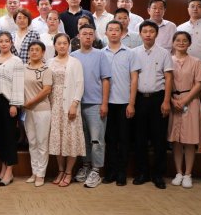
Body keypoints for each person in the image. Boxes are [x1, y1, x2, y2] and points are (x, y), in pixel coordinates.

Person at [132, 20, 173, 189]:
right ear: (140, 34)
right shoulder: (133, 53)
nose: (148, 34)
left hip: (158, 99)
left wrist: (166, 101)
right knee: (139, 138)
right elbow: (132, 78)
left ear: (156, 33)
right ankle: (142, 173)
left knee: (159, 139)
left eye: (151, 31)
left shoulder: (164, 53)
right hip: (140, 99)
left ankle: (158, 174)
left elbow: (168, 78)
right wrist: (132, 103)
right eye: (145, 31)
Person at [71, 24, 111, 188]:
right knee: (84, 140)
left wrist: (104, 103)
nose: (88, 36)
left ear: (94, 37)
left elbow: (106, 80)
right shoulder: (73, 56)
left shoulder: (101, 55)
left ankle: (96, 170)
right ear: (78, 36)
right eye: (84, 34)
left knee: (97, 140)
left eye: (90, 34)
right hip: (78, 103)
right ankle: (86, 166)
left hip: (95, 103)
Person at [102, 20, 140, 186]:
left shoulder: (130, 53)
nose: (113, 32)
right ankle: (110, 172)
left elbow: (134, 79)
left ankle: (121, 173)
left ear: (121, 32)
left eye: (116, 30)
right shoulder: (101, 53)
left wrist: (132, 103)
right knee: (109, 140)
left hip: (124, 102)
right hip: (106, 103)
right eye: (110, 30)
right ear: (106, 33)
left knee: (124, 140)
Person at [168, 31, 201, 189]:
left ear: (189, 43)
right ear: (173, 42)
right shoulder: (168, 60)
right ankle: (178, 173)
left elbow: (199, 84)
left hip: (191, 102)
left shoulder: (196, 61)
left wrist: (184, 100)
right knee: (176, 140)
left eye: (185, 40)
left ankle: (188, 174)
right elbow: (164, 82)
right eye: (178, 40)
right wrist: (171, 100)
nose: (181, 43)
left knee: (189, 141)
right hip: (172, 102)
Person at [47, 33, 85, 188]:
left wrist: (74, 104)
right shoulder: (49, 62)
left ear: (69, 45)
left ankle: (69, 172)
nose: (62, 46)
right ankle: (61, 170)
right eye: (59, 43)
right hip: (53, 106)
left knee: (70, 140)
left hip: (69, 104)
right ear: (54, 46)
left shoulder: (75, 62)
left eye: (65, 43)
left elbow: (80, 84)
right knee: (58, 140)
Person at [0, 31, 24, 186]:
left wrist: (14, 104)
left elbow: (18, 84)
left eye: (6, 41)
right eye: (1, 41)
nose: (4, 43)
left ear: (11, 43)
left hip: (9, 102)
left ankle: (9, 171)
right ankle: (3, 167)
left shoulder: (16, 61)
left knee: (10, 137)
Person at [23, 41, 53, 187]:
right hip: (27, 111)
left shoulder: (46, 69)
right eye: (32, 49)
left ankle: (41, 174)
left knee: (42, 142)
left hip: (42, 110)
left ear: (43, 52)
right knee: (32, 142)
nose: (34, 52)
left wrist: (30, 102)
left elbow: (46, 90)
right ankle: (34, 172)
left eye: (37, 50)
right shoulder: (23, 68)